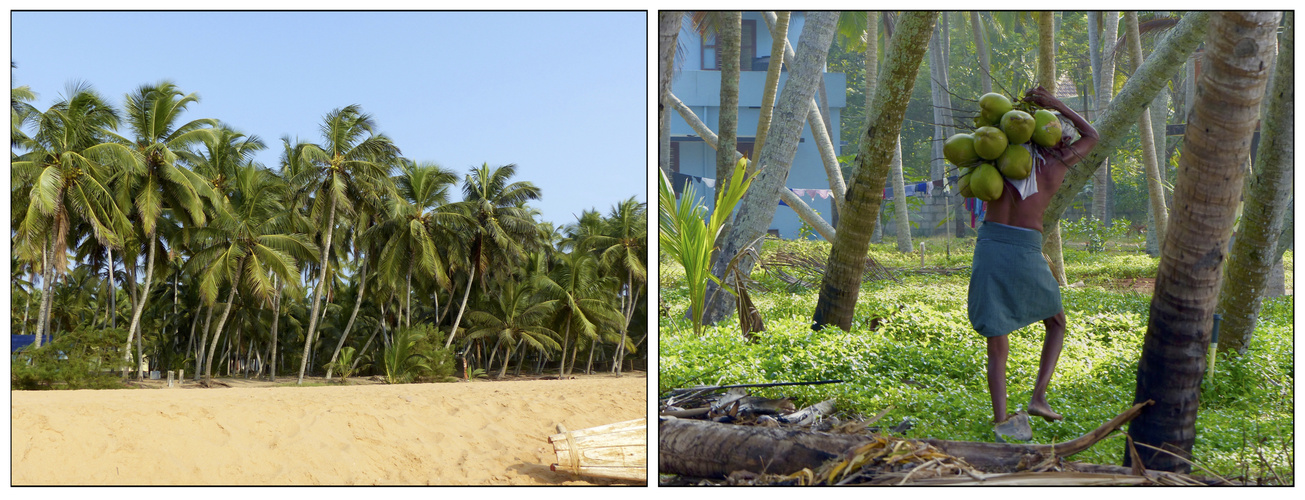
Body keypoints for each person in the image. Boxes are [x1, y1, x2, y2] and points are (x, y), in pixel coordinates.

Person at [968, 86, 1098, 439]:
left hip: (991, 246)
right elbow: (1092, 136)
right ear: (1050, 141)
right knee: (1056, 322)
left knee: (997, 340)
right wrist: (1057, 105)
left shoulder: (994, 159)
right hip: (1025, 249)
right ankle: (1038, 397)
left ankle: (1001, 420)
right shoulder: (1055, 167)